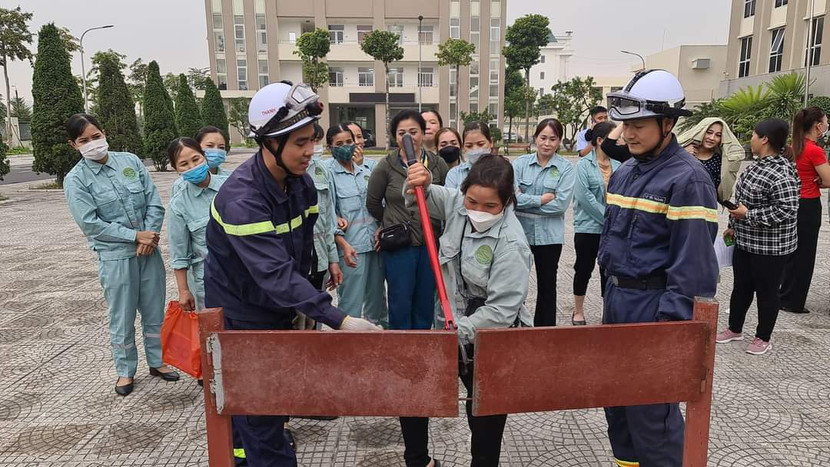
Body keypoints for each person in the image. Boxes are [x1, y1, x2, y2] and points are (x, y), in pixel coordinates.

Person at [204, 81, 379, 466]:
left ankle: (253, 448)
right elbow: (274, 274)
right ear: (269, 142)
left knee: (275, 398)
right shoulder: (241, 199)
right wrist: (339, 319)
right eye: (299, 143)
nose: (310, 151)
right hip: (242, 315)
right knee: (260, 408)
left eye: (311, 140)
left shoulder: (301, 185)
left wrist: (305, 306)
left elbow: (301, 254)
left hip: (277, 308)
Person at [599, 69, 719, 466]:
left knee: (653, 417)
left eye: (638, 125)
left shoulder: (688, 180)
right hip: (618, 302)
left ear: (668, 123)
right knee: (617, 408)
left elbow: (694, 271)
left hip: (653, 309)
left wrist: (668, 340)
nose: (628, 134)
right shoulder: (625, 172)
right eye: (625, 125)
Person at [401, 154, 533, 467]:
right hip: (449, 328)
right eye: (472, 201)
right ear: (464, 193)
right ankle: (419, 461)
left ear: (507, 201)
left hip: (492, 341)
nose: (478, 211)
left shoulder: (512, 243)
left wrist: (454, 333)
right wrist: (420, 179)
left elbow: (501, 311)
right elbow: (427, 195)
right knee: (412, 393)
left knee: (484, 425)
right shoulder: (458, 205)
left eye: (490, 206)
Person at [63, 113, 179, 397]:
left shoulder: (130, 161)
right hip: (116, 257)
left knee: (154, 311)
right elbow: (90, 223)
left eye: (96, 136)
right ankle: (125, 371)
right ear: (73, 145)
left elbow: (153, 201)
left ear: (104, 133)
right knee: (122, 316)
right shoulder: (76, 180)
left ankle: (157, 361)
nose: (93, 143)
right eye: (84, 141)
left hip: (148, 252)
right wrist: (134, 236)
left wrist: (149, 235)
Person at [717, 118, 800, 355]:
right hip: (745, 241)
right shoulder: (755, 166)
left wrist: (749, 215)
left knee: (767, 291)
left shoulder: (781, 171)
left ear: (764, 139)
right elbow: (742, 200)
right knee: (741, 287)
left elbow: (787, 209)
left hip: (771, 247)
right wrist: (734, 223)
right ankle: (735, 328)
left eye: (753, 135)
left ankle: (763, 336)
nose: (750, 139)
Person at [366, 110, 449, 331]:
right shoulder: (386, 165)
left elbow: (446, 198)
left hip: (430, 242)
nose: (408, 137)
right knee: (400, 300)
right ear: (395, 136)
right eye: (402, 132)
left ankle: (421, 344)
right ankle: (400, 348)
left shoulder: (437, 164)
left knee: (424, 300)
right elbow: (373, 202)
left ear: (423, 133)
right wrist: (389, 222)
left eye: (413, 131)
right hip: (399, 245)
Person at [512, 118, 576, 327]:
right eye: (543, 138)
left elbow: (560, 205)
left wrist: (525, 201)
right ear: (535, 138)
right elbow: (513, 199)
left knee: (547, 285)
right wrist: (540, 200)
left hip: (550, 237)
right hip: (521, 234)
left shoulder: (566, 168)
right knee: (515, 283)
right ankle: (514, 324)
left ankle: (544, 329)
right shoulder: (520, 164)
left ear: (559, 141)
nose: (547, 143)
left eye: (553, 139)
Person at [327, 123, 388, 327]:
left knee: (378, 303)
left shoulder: (369, 169)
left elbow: (382, 203)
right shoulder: (328, 174)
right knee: (350, 306)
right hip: (351, 249)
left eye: (349, 141)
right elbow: (328, 214)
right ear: (330, 148)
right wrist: (342, 244)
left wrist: (381, 228)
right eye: (339, 143)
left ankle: (379, 343)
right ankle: (348, 348)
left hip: (375, 244)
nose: (346, 146)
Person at [167, 138, 228, 313]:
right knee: (214, 335)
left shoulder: (231, 186)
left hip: (245, 275)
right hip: (209, 283)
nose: (192, 166)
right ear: (176, 169)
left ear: (204, 157)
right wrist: (184, 290)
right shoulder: (178, 205)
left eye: (196, 159)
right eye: (183, 164)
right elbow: (179, 253)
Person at [778, 107, 830, 314]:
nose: (827, 125)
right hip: (808, 205)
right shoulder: (814, 150)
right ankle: (794, 301)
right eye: (826, 122)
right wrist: (820, 181)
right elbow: (828, 180)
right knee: (805, 255)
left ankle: (784, 294)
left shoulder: (794, 147)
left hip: (793, 203)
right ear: (818, 126)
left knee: (792, 252)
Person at [572, 122, 621, 325]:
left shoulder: (619, 164)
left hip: (612, 230)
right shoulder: (584, 165)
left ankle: (607, 311)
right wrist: (608, 219)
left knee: (608, 272)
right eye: (614, 139)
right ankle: (578, 311)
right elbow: (585, 199)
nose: (618, 143)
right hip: (588, 228)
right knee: (583, 269)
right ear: (600, 141)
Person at [302, 123, 343, 324]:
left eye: (316, 140)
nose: (312, 146)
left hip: (319, 256)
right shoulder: (286, 171)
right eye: (307, 140)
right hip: (295, 262)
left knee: (318, 312)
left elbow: (328, 221)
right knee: (296, 318)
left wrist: (333, 261)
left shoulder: (321, 170)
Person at [677, 117, 745, 202]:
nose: (712, 138)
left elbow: (717, 191)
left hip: (704, 206)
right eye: (709, 133)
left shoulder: (718, 161)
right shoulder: (682, 151)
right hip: (677, 203)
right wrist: (681, 152)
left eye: (718, 135)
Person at [170, 125, 230, 197]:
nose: (216, 151)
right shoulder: (180, 187)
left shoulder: (232, 177)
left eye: (221, 147)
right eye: (210, 146)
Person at [445, 122, 496, 189]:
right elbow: (449, 198)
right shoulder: (455, 174)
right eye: (469, 146)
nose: (475, 149)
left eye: (480, 144)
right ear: (463, 147)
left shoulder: (502, 171)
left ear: (491, 142)